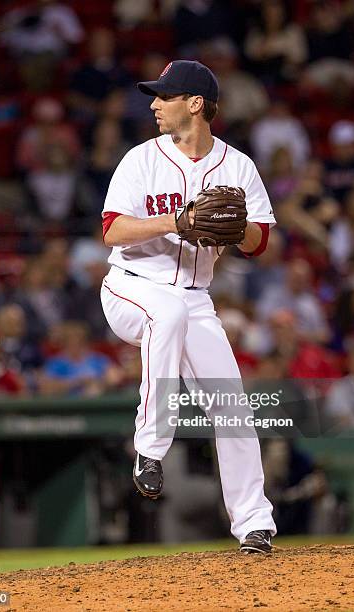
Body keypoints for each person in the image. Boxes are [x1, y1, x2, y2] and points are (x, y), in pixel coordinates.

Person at [100, 60, 277, 554]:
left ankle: (254, 524)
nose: (154, 103)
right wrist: (176, 222)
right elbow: (112, 229)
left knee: (233, 407)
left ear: (195, 104)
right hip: (131, 285)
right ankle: (149, 450)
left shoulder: (238, 166)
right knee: (167, 314)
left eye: (165, 96)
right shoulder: (141, 159)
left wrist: (234, 228)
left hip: (194, 298)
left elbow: (260, 242)